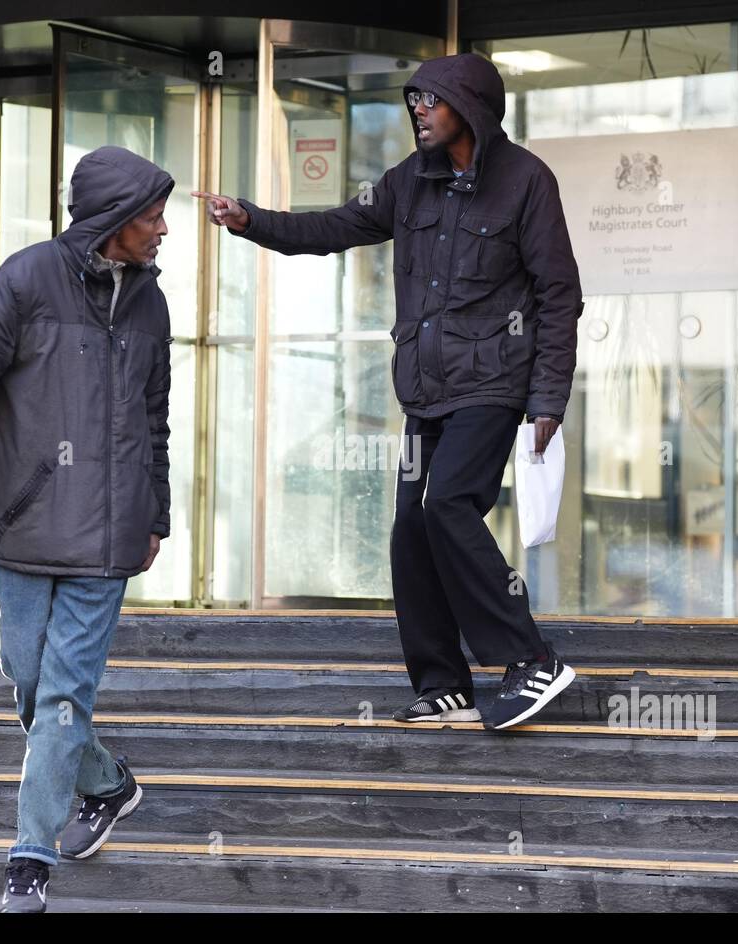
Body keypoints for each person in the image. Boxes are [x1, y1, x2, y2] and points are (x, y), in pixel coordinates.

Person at [194, 52, 583, 731]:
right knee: (412, 527)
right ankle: (445, 684)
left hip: (492, 386)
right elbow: (333, 229)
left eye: (430, 101)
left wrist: (548, 398)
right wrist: (250, 219)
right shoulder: (409, 182)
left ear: (470, 106)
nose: (418, 112)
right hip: (425, 392)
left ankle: (531, 659)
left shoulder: (526, 181)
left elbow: (559, 295)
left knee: (448, 504)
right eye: (413, 102)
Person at [0, 146, 174, 913]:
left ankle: (28, 863)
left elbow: (154, 421)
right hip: (24, 528)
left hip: (108, 543)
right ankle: (111, 783)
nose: (163, 230)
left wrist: (154, 511)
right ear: (114, 222)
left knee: (60, 697)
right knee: (28, 682)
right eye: (152, 217)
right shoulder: (23, 282)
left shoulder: (151, 304)